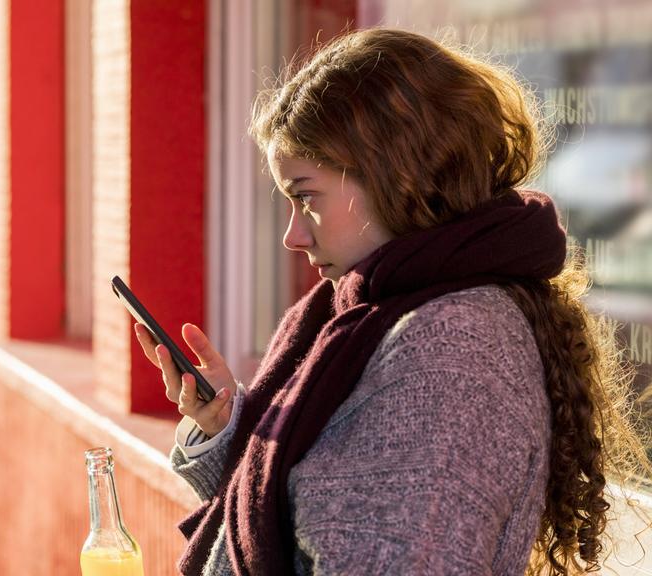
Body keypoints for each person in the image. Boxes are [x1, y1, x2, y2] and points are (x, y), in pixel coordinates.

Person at [134, 28, 651, 575]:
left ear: (394, 176)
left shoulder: (450, 355)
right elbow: (288, 518)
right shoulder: (373, 315)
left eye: (306, 197)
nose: (293, 235)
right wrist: (226, 429)